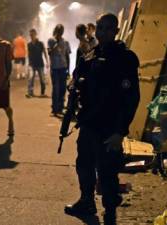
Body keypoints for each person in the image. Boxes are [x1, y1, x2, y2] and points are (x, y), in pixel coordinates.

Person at [64, 13, 140, 225]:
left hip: (110, 127)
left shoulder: (125, 59)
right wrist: (73, 86)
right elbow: (75, 80)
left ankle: (110, 213)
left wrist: (120, 131)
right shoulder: (89, 57)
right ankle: (86, 201)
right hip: (89, 124)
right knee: (84, 165)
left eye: (108, 28)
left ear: (116, 31)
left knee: (108, 172)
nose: (103, 32)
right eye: (99, 28)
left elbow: (131, 99)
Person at [48, 24, 71, 117]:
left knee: (62, 89)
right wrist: (55, 45)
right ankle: (54, 109)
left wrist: (68, 70)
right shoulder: (51, 41)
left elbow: (67, 56)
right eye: (59, 31)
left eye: (62, 31)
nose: (60, 33)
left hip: (63, 68)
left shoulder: (66, 42)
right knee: (56, 89)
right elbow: (49, 52)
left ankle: (60, 108)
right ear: (56, 31)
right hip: (55, 68)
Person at [26, 28, 49, 98]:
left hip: (40, 63)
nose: (31, 36)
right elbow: (28, 55)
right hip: (32, 64)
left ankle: (42, 92)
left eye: (32, 34)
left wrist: (47, 61)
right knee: (31, 78)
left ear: (35, 34)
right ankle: (30, 92)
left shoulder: (40, 43)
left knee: (42, 78)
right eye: (30, 35)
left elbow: (45, 52)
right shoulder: (29, 44)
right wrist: (28, 64)